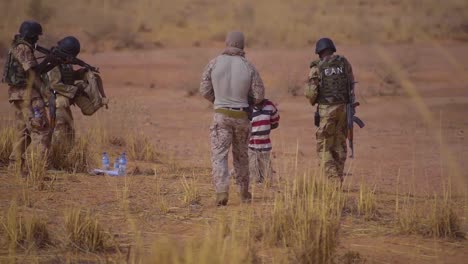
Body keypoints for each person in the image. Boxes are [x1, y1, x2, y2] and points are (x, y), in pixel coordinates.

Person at [200, 31, 265, 206]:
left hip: (221, 116)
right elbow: (259, 94)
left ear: (227, 43)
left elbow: (204, 89)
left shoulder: (213, 64)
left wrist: (219, 101)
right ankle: (244, 194)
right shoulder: (248, 66)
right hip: (242, 116)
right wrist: (247, 101)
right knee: (242, 156)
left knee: (219, 155)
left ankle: (222, 192)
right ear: (242, 45)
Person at [2, 20, 52, 175]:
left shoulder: (17, 47)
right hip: (29, 96)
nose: (37, 39)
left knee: (23, 132)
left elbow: (35, 70)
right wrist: (45, 92)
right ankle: (38, 169)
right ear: (30, 35)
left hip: (17, 96)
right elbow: (32, 74)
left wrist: (51, 61)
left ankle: (15, 167)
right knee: (40, 130)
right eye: (36, 36)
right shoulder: (24, 48)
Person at [304, 37, 355, 183]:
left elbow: (310, 94)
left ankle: (333, 180)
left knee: (324, 146)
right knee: (340, 144)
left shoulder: (317, 67)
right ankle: (338, 176)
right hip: (344, 110)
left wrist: (314, 100)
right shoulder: (344, 63)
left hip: (327, 111)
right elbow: (351, 84)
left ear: (319, 52)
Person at [248, 99, 279, 184]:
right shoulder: (248, 106)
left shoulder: (270, 106)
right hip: (251, 145)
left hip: (265, 145)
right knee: (253, 176)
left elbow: (275, 121)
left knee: (267, 178)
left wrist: (265, 128)